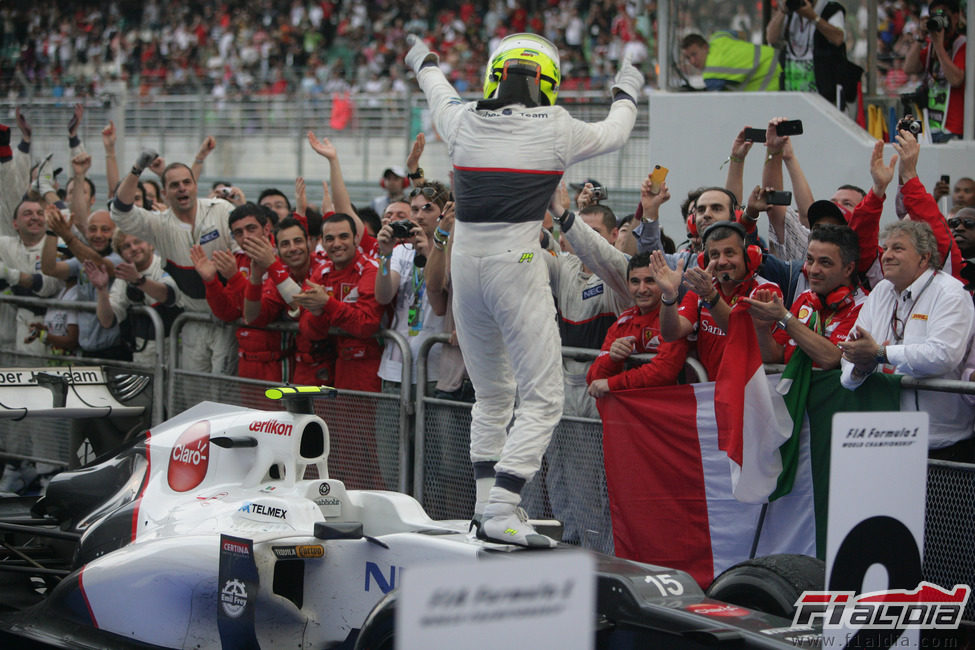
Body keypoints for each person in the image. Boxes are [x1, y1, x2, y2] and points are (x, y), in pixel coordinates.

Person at [405, 31, 642, 547]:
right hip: (518, 263)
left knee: (491, 395)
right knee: (543, 397)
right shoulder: (557, 125)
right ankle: (503, 507)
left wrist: (420, 55)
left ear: (495, 72)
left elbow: (434, 84)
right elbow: (619, 130)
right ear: (545, 80)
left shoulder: (463, 118)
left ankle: (484, 507)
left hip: (466, 262)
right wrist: (629, 81)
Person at [839, 220, 975, 460]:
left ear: (924, 258)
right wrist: (860, 367)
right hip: (882, 435)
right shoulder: (881, 291)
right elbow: (852, 348)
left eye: (898, 248)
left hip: (940, 442)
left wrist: (881, 354)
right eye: (885, 249)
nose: (887, 256)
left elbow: (943, 355)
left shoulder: (950, 293)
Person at [111, 152, 238, 374]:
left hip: (228, 321)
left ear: (195, 186)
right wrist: (136, 169)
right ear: (164, 194)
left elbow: (243, 251)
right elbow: (120, 213)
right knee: (192, 395)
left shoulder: (221, 210)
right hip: (192, 320)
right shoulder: (158, 224)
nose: (182, 188)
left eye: (187, 182)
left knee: (224, 393)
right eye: (174, 185)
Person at [652, 221, 783, 380]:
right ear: (704, 261)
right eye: (714, 255)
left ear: (749, 257)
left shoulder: (765, 291)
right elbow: (671, 333)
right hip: (712, 393)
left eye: (729, 253)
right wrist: (669, 296)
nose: (721, 262)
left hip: (751, 394)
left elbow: (740, 334)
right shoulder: (702, 291)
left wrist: (711, 295)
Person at [192, 204, 294, 382]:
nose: (245, 236)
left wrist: (234, 277)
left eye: (251, 228)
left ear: (266, 228)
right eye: (238, 233)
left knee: (277, 411)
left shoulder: (284, 258)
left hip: (278, 361)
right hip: (245, 359)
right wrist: (211, 281)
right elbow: (227, 312)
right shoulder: (239, 260)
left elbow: (259, 316)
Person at [745, 224, 866, 369]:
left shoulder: (864, 306)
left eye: (825, 262)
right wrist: (762, 329)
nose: (813, 270)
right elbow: (775, 356)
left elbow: (832, 359)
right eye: (810, 260)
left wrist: (785, 318)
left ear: (848, 269)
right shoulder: (806, 298)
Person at [294, 213, 383, 391]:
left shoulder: (370, 269)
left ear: (356, 239)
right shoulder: (322, 271)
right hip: (335, 365)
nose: (336, 244)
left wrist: (327, 304)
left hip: (370, 366)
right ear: (322, 242)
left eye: (343, 236)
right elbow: (307, 329)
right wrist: (319, 313)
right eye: (330, 238)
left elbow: (366, 324)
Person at [587, 251, 689, 393]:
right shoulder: (623, 322)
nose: (642, 289)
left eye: (650, 280)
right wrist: (612, 359)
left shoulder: (676, 320)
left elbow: (664, 372)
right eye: (635, 281)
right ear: (627, 284)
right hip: (632, 412)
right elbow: (594, 379)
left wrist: (612, 383)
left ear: (662, 282)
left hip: (671, 409)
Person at [92, 231, 183, 367]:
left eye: (138, 241)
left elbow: (169, 295)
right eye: (126, 246)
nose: (133, 248)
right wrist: (102, 290)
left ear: (151, 245)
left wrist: (139, 281)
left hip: (179, 351)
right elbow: (107, 321)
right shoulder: (123, 279)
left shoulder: (166, 266)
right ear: (121, 254)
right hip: (144, 355)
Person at [904, 0, 967, 142]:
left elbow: (956, 79)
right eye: (935, 15)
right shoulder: (931, 46)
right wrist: (921, 36)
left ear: (956, 17)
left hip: (952, 129)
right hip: (928, 126)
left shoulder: (962, 44)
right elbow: (909, 67)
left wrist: (939, 47)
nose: (940, 19)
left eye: (944, 14)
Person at [765, 0, 849, 103]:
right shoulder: (790, 13)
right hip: (792, 90)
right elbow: (771, 38)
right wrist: (783, 11)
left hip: (823, 92)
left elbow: (838, 38)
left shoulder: (831, 9)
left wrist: (814, 17)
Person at [680, 32, 781, 92]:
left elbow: (714, 104)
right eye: (688, 58)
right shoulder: (718, 36)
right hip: (778, 55)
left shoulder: (712, 72)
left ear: (705, 47)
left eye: (694, 54)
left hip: (778, 78)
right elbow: (740, 33)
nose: (692, 61)